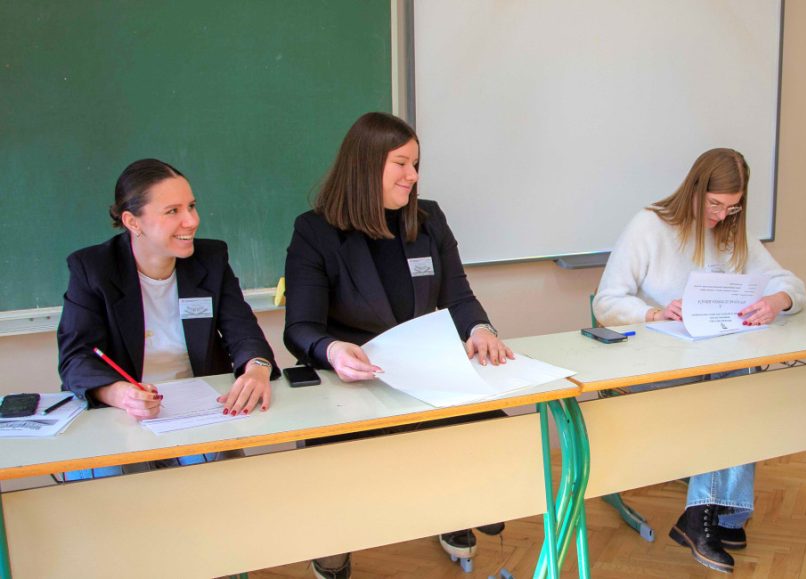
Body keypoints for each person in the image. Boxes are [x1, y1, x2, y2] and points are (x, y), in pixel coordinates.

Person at [283, 112, 514, 579]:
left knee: (497, 433)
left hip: (422, 371)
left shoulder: (427, 219)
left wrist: (480, 329)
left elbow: (458, 297)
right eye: (401, 164)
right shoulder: (316, 231)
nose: (413, 176)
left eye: (416, 164)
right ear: (366, 166)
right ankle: (336, 543)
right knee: (346, 470)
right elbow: (300, 327)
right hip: (350, 381)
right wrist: (331, 350)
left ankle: (459, 512)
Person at [593, 147, 806, 573]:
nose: (721, 216)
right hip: (652, 367)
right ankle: (721, 513)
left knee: (740, 379)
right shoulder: (650, 226)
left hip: (711, 366)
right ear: (695, 191)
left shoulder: (732, 232)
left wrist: (777, 300)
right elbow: (606, 303)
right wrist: (654, 313)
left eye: (732, 207)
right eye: (714, 205)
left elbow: (791, 282)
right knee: (735, 387)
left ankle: (706, 514)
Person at [57, 158, 279, 479]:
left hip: (201, 415)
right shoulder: (93, 268)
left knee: (222, 492)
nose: (191, 221)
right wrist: (120, 393)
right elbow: (76, 359)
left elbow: (243, 332)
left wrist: (257, 368)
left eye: (191, 206)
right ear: (133, 222)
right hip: (123, 418)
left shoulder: (211, 259)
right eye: (172, 211)